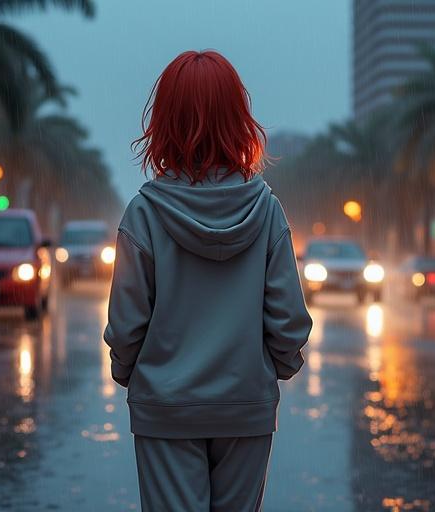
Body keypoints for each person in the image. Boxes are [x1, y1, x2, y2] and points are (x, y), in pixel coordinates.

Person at [103, 50, 313, 512]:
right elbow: (289, 322)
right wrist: (272, 370)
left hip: (165, 408)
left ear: (163, 121)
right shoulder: (267, 211)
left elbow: (126, 324)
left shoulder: (144, 214)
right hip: (246, 407)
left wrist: (132, 375)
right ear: (238, 118)